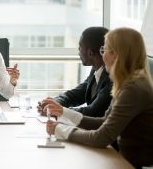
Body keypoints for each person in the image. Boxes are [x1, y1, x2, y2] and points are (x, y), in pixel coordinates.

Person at [43, 27, 153, 168]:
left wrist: (60, 130)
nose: (102, 56)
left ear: (117, 54)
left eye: (104, 50)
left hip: (132, 164)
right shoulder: (129, 82)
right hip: (123, 159)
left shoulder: (133, 89)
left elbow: (101, 137)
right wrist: (63, 112)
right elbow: (103, 122)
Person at [38, 27, 112, 117]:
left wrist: (58, 111)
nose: (78, 52)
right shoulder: (96, 70)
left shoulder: (111, 78)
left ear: (90, 53)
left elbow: (93, 112)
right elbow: (76, 94)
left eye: (80, 47)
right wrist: (55, 102)